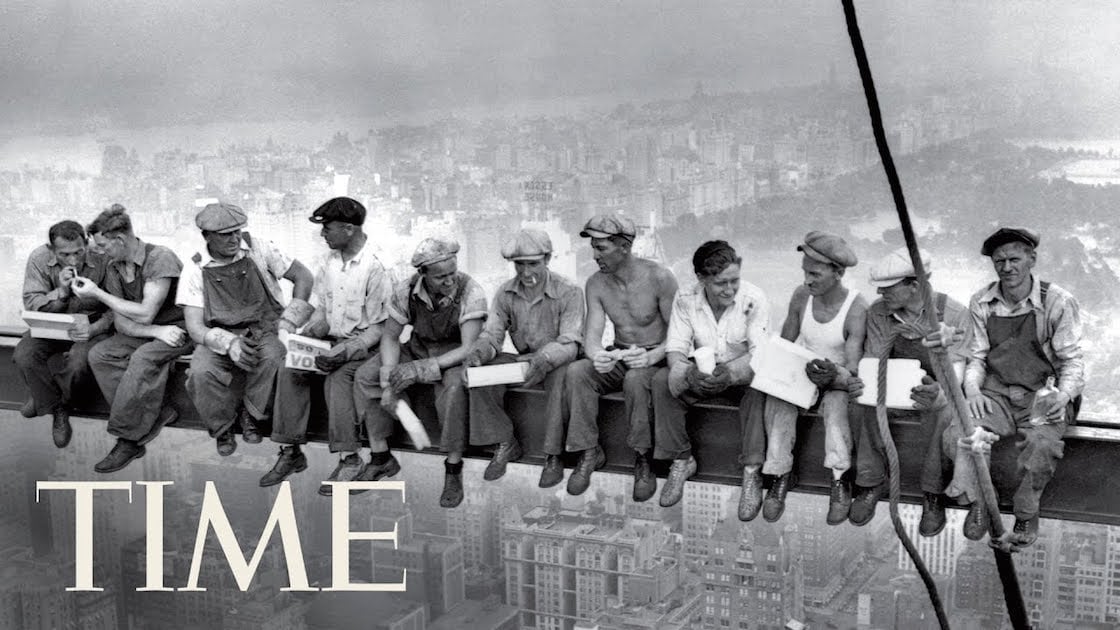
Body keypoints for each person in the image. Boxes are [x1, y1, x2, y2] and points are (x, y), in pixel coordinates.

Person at [260, 197, 393, 495]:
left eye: (327, 229)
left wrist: (345, 351)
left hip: (366, 348)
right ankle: (291, 450)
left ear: (348, 229)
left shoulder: (376, 266)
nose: (323, 235)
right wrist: (304, 337)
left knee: (339, 377)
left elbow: (380, 328)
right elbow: (322, 311)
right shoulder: (330, 263)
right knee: (290, 365)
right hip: (334, 341)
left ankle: (350, 459)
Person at [962, 227, 1083, 547]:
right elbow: (976, 357)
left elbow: (1073, 361)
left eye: (1014, 259)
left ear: (1032, 259)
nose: (1007, 267)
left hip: (1043, 393)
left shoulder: (1057, 301)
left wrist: (1064, 395)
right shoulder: (982, 301)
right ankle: (980, 503)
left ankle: (1027, 510)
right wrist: (972, 391)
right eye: (999, 261)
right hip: (997, 391)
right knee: (968, 432)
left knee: (1043, 445)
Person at [847, 247, 977, 538]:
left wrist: (938, 393)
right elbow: (873, 359)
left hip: (935, 391)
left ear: (914, 285)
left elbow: (956, 371)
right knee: (859, 403)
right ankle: (870, 480)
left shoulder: (954, 314)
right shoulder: (879, 313)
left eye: (889, 288)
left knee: (942, 411)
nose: (882, 294)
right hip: (892, 388)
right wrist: (862, 382)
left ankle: (932, 494)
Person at [353, 237, 488, 508]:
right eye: (440, 277)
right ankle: (381, 457)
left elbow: (468, 347)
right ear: (422, 274)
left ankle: (453, 466)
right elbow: (391, 337)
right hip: (418, 347)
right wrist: (389, 379)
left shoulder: (471, 291)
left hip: (453, 355)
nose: (449, 281)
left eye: (452, 273)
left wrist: (420, 369)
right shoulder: (406, 290)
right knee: (367, 376)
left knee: (453, 390)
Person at [176, 202, 314, 455]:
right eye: (225, 234)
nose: (235, 238)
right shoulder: (195, 268)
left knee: (273, 358)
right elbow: (195, 327)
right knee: (200, 371)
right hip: (220, 333)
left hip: (265, 328)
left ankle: (252, 416)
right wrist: (228, 344)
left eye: (237, 231)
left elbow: (304, 277)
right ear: (207, 236)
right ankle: (222, 428)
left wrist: (289, 320)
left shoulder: (260, 248)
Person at [562, 214, 678, 501]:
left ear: (624, 247)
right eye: (593, 247)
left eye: (601, 248)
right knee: (578, 372)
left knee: (636, 380)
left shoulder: (660, 278)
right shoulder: (596, 284)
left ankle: (643, 458)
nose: (594, 255)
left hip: (656, 357)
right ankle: (589, 451)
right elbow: (592, 337)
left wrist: (652, 357)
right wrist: (598, 356)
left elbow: (679, 335)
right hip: (621, 352)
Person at [73, 205, 192, 473]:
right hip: (155, 332)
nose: (101, 251)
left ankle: (128, 439)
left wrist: (98, 294)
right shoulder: (115, 266)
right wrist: (154, 332)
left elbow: (146, 311)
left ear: (120, 240)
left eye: (104, 245)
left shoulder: (160, 258)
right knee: (100, 354)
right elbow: (121, 319)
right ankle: (157, 412)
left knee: (142, 358)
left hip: (180, 329)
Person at [652, 240, 770, 512]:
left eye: (734, 281)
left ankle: (752, 471)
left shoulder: (754, 299)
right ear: (701, 279)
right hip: (703, 372)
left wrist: (729, 374)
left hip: (741, 374)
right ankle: (681, 460)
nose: (729, 290)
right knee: (661, 382)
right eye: (720, 284)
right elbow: (676, 348)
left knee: (758, 390)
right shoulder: (685, 299)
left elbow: (759, 354)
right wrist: (688, 373)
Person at [758, 232, 866, 524]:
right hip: (803, 370)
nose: (807, 280)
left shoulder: (856, 309)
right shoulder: (801, 296)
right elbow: (787, 342)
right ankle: (780, 472)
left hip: (836, 378)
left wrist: (834, 376)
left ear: (838, 273)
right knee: (779, 401)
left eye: (815, 273)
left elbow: (854, 368)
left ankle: (840, 477)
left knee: (835, 411)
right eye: (805, 272)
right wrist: (778, 373)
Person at [465, 228, 584, 487]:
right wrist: (479, 353)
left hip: (557, 360)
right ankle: (504, 441)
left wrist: (544, 358)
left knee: (561, 378)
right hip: (525, 361)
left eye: (533, 264)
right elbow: (493, 335)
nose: (527, 273)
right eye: (520, 265)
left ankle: (553, 455)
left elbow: (570, 342)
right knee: (480, 376)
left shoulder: (569, 291)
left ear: (548, 259)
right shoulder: (506, 293)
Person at [15, 220, 112, 447]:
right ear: (51, 249)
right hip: (52, 323)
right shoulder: (39, 259)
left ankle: (45, 398)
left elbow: (115, 306)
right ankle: (55, 407)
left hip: (91, 324)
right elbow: (32, 303)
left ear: (86, 243)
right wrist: (61, 292)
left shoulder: (103, 257)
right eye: (65, 254)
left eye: (79, 252)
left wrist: (94, 329)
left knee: (79, 363)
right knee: (24, 355)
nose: (74, 260)